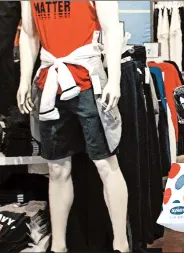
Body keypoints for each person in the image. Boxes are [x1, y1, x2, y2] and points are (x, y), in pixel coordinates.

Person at [17, 1, 129, 252]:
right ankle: (58, 246)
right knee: (56, 168)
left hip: (88, 79)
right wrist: (24, 79)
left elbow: (112, 28)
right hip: (50, 81)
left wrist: (115, 79)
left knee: (105, 163)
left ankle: (121, 244)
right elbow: (29, 32)